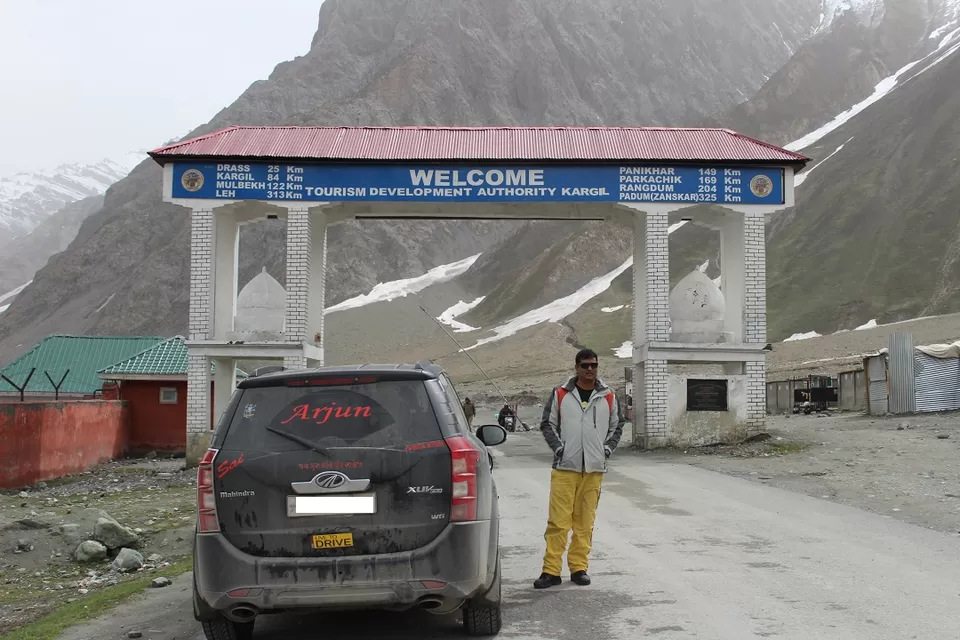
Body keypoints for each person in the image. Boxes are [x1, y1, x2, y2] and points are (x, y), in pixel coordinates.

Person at [534, 348, 624, 589]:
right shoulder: (561, 393)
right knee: (558, 522)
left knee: (585, 522)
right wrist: (560, 450)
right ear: (576, 367)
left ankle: (579, 568)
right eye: (585, 365)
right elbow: (547, 424)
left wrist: (606, 450)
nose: (589, 370)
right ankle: (551, 571)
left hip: (594, 470)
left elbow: (617, 426)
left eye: (593, 365)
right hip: (565, 468)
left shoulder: (608, 396)